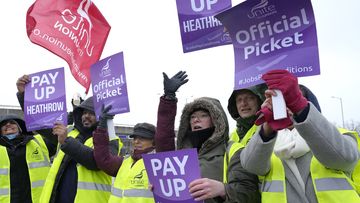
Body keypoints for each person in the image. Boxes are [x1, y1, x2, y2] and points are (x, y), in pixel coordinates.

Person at [240, 69, 360, 203]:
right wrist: (268, 125)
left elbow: (344, 159)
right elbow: (252, 166)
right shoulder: (269, 143)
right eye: (283, 102)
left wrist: (300, 107)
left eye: (292, 101)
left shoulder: (340, 135)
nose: (288, 107)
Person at [155, 71, 260, 203]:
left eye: (203, 115)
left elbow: (249, 194)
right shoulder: (181, 157)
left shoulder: (233, 151)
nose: (196, 120)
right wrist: (162, 188)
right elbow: (163, 141)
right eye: (192, 117)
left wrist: (223, 190)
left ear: (216, 120)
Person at [16, 75, 122, 203]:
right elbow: (40, 123)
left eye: (92, 113)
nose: (86, 116)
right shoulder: (70, 131)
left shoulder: (111, 140)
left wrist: (66, 141)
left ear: (102, 117)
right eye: (84, 112)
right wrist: (24, 95)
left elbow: (96, 162)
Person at [93, 104, 156, 203]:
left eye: (142, 138)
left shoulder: (157, 164)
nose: (136, 141)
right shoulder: (125, 161)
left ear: (154, 141)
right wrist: (101, 128)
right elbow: (103, 159)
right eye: (135, 138)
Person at [0, 114, 57, 203]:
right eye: (4, 124)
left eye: (12, 122)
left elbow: (58, 139)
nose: (8, 125)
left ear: (20, 128)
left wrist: (69, 118)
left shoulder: (38, 142)